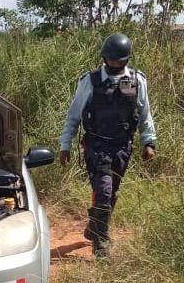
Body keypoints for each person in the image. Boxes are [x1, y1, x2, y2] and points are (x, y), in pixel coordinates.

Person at [59, 33, 157, 258]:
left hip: (123, 146)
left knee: (111, 192)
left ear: (126, 60)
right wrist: (65, 145)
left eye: (118, 61)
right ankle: (101, 244)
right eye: (110, 60)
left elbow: (144, 114)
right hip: (97, 146)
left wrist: (148, 141)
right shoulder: (91, 81)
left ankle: (95, 226)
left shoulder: (134, 81)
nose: (113, 65)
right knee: (103, 191)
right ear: (104, 58)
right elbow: (73, 116)